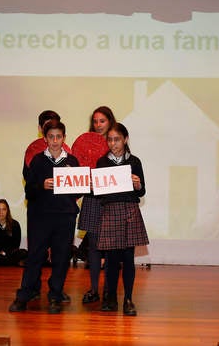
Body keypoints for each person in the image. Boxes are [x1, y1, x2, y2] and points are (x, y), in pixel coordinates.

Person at [9, 120, 81, 314]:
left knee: (61, 258)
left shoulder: (72, 162)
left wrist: (77, 181)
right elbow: (28, 191)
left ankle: (55, 296)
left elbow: (79, 192)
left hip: (65, 217)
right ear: (45, 138)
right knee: (34, 256)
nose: (55, 141)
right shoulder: (38, 160)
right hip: (40, 217)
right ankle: (24, 296)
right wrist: (42, 185)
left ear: (64, 138)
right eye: (51, 137)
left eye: (59, 137)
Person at [96, 123, 148, 316]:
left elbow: (142, 191)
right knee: (110, 260)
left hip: (129, 211)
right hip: (110, 211)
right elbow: (100, 193)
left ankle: (128, 299)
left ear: (125, 139)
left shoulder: (134, 162)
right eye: (109, 139)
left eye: (117, 139)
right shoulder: (102, 162)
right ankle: (110, 298)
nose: (113, 143)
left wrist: (137, 184)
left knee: (128, 258)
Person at [77, 106, 115, 304]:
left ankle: (109, 290)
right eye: (95, 121)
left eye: (102, 121)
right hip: (92, 198)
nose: (98, 125)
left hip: (110, 201)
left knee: (110, 247)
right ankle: (93, 289)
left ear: (110, 122)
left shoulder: (116, 143)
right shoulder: (85, 143)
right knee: (93, 246)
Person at [0, 199, 28, 266]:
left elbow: (16, 244)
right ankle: (15, 263)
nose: (1, 212)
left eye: (4, 209)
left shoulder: (15, 224)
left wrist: (5, 252)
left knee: (23, 252)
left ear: (7, 211)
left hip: (10, 253)